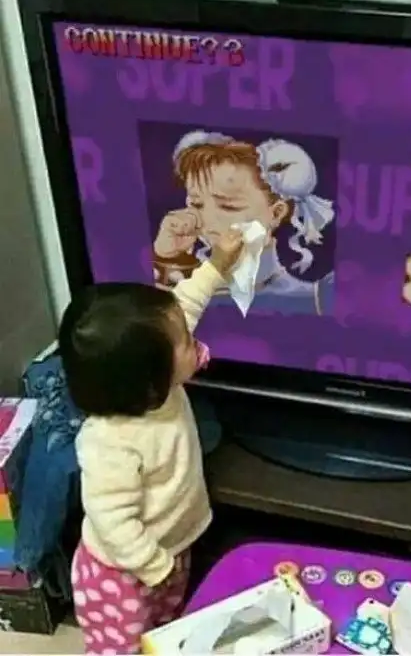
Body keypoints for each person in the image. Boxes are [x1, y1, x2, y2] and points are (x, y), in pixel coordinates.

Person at [59, 230, 244, 655]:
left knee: (166, 633)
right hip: (124, 573)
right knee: (123, 647)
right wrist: (155, 567)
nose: (195, 338)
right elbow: (113, 521)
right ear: (147, 377)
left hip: (170, 550)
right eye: (186, 341)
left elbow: (185, 306)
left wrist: (218, 263)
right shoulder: (110, 443)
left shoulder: (155, 376)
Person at [152, 131, 334, 315]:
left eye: (228, 206)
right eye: (196, 204)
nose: (207, 220)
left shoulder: (316, 301)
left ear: (276, 213)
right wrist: (168, 259)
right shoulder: (182, 288)